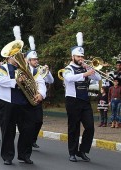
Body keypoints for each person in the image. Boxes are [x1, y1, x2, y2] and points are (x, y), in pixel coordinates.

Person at [0, 26, 46, 165]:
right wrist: (16, 82)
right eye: (16, 55)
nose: (20, 57)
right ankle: (7, 156)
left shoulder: (30, 68)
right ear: (10, 57)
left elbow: (40, 81)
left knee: (28, 129)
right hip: (8, 103)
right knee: (8, 131)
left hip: (26, 103)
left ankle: (24, 155)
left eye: (21, 55)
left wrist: (41, 94)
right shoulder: (2, 68)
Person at [64, 32, 101, 162]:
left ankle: (82, 150)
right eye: (78, 56)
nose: (81, 58)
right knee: (73, 127)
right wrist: (85, 74)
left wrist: (91, 69)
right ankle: (72, 152)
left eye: (82, 56)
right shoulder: (68, 68)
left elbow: (98, 77)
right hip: (72, 100)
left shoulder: (85, 67)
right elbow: (68, 78)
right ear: (73, 56)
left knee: (90, 127)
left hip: (85, 101)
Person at [26, 36, 54, 148]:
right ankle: (27, 140)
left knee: (39, 121)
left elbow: (51, 81)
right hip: (26, 98)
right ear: (28, 61)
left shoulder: (40, 70)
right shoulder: (24, 70)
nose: (36, 61)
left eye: (37, 59)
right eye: (34, 60)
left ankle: (33, 139)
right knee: (27, 123)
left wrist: (47, 71)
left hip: (38, 98)